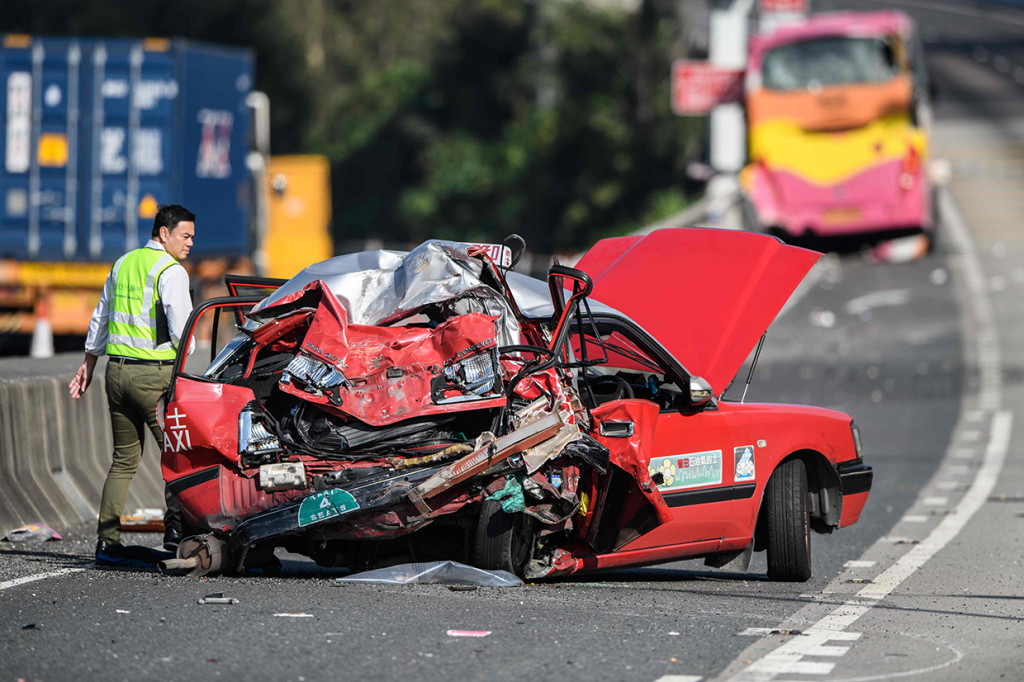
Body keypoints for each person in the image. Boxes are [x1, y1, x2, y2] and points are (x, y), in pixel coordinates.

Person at [69, 204, 196, 566]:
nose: (190, 244)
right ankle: (176, 533)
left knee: (123, 461)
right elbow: (182, 332)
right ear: (164, 234)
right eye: (185, 236)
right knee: (178, 458)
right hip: (153, 377)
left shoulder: (123, 263)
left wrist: (88, 363)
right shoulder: (171, 272)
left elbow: (102, 315)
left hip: (116, 373)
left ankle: (107, 542)